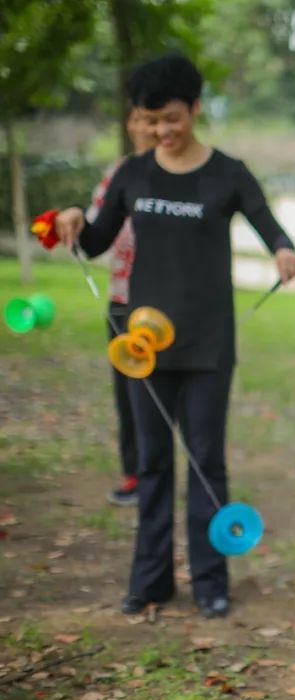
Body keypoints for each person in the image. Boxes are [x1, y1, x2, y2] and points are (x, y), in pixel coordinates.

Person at [54, 52, 295, 619]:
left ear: (194, 108)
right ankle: (151, 579)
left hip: (210, 345)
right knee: (152, 461)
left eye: (170, 118)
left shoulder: (228, 173)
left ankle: (211, 580)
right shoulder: (131, 173)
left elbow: (270, 227)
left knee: (207, 462)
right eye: (148, 120)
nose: (160, 131)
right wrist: (72, 221)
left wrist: (285, 252)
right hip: (141, 345)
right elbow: (93, 243)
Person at [86, 106, 158, 507]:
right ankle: (134, 474)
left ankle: (160, 471)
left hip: (166, 307)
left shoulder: (180, 175)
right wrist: (75, 223)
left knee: (165, 396)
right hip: (122, 301)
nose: (144, 129)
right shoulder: (119, 172)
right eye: (138, 120)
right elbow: (97, 230)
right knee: (127, 395)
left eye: (153, 120)